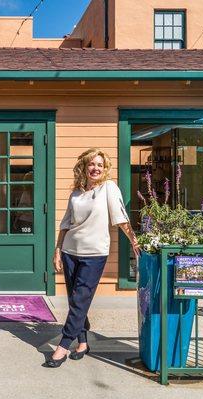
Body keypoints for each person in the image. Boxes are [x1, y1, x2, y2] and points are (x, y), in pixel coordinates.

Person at [45, 148, 140, 368]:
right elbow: (65, 224)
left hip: (94, 254)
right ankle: (83, 342)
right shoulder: (76, 193)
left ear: (104, 169)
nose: (95, 168)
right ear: (85, 167)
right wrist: (58, 250)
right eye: (91, 164)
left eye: (100, 165)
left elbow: (121, 218)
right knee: (75, 300)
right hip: (70, 251)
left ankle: (63, 345)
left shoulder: (109, 188)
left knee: (80, 300)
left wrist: (134, 240)